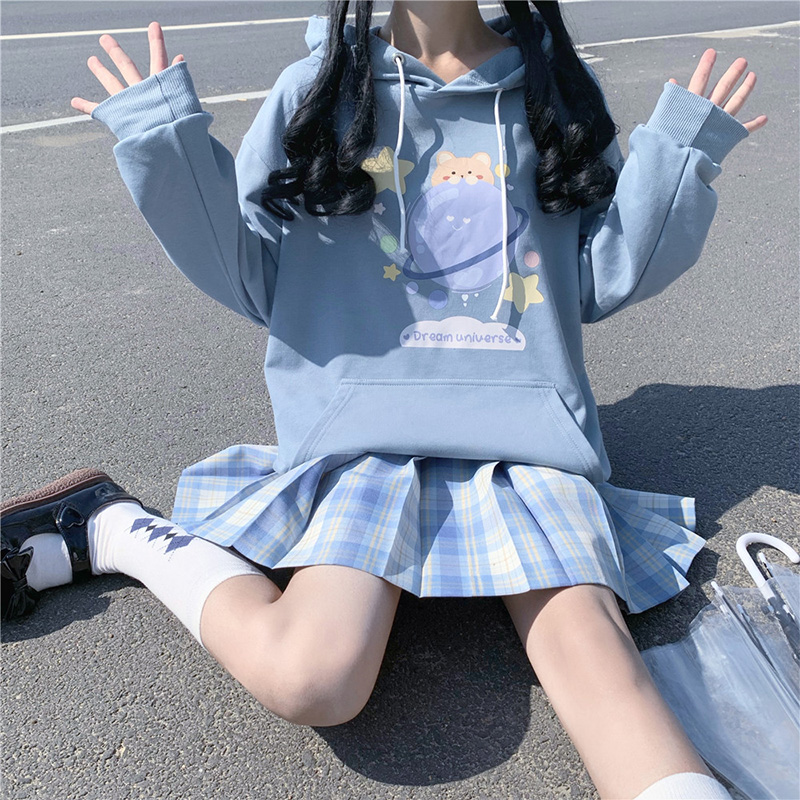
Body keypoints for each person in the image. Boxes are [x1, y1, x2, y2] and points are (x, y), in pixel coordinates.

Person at [1, 2, 767, 798]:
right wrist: (165, 145)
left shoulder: (554, 91)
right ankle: (116, 529)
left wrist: (678, 159)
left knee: (598, 664)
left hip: (528, 445)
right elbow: (254, 276)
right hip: (363, 440)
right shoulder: (316, 91)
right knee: (313, 676)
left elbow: (598, 278)